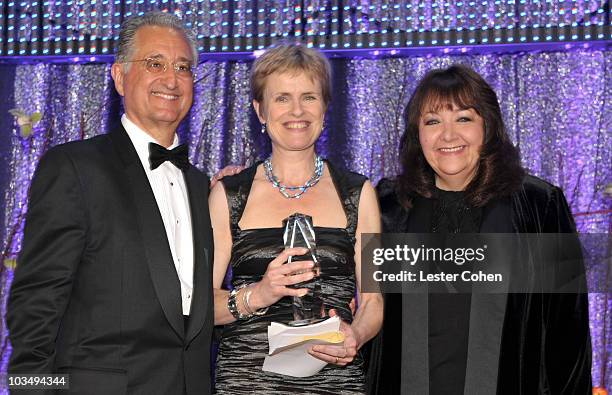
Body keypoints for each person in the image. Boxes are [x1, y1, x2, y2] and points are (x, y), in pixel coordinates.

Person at [7, 12, 214, 395]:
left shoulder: (201, 185)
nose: (171, 79)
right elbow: (35, 305)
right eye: (155, 64)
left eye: (183, 67)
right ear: (119, 76)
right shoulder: (74, 167)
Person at [369, 65, 592, 394]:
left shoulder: (539, 206)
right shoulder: (388, 206)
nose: (448, 135)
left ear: (487, 126)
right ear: (417, 133)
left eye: (463, 118)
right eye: (432, 121)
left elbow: (568, 332)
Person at [209, 43, 383, 394]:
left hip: (336, 381)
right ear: (260, 110)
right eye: (282, 98)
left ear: (325, 107)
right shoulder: (228, 194)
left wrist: (356, 335)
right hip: (247, 383)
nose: (297, 111)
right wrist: (258, 293)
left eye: (309, 97)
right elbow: (200, 308)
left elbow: (374, 300)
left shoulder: (359, 193)